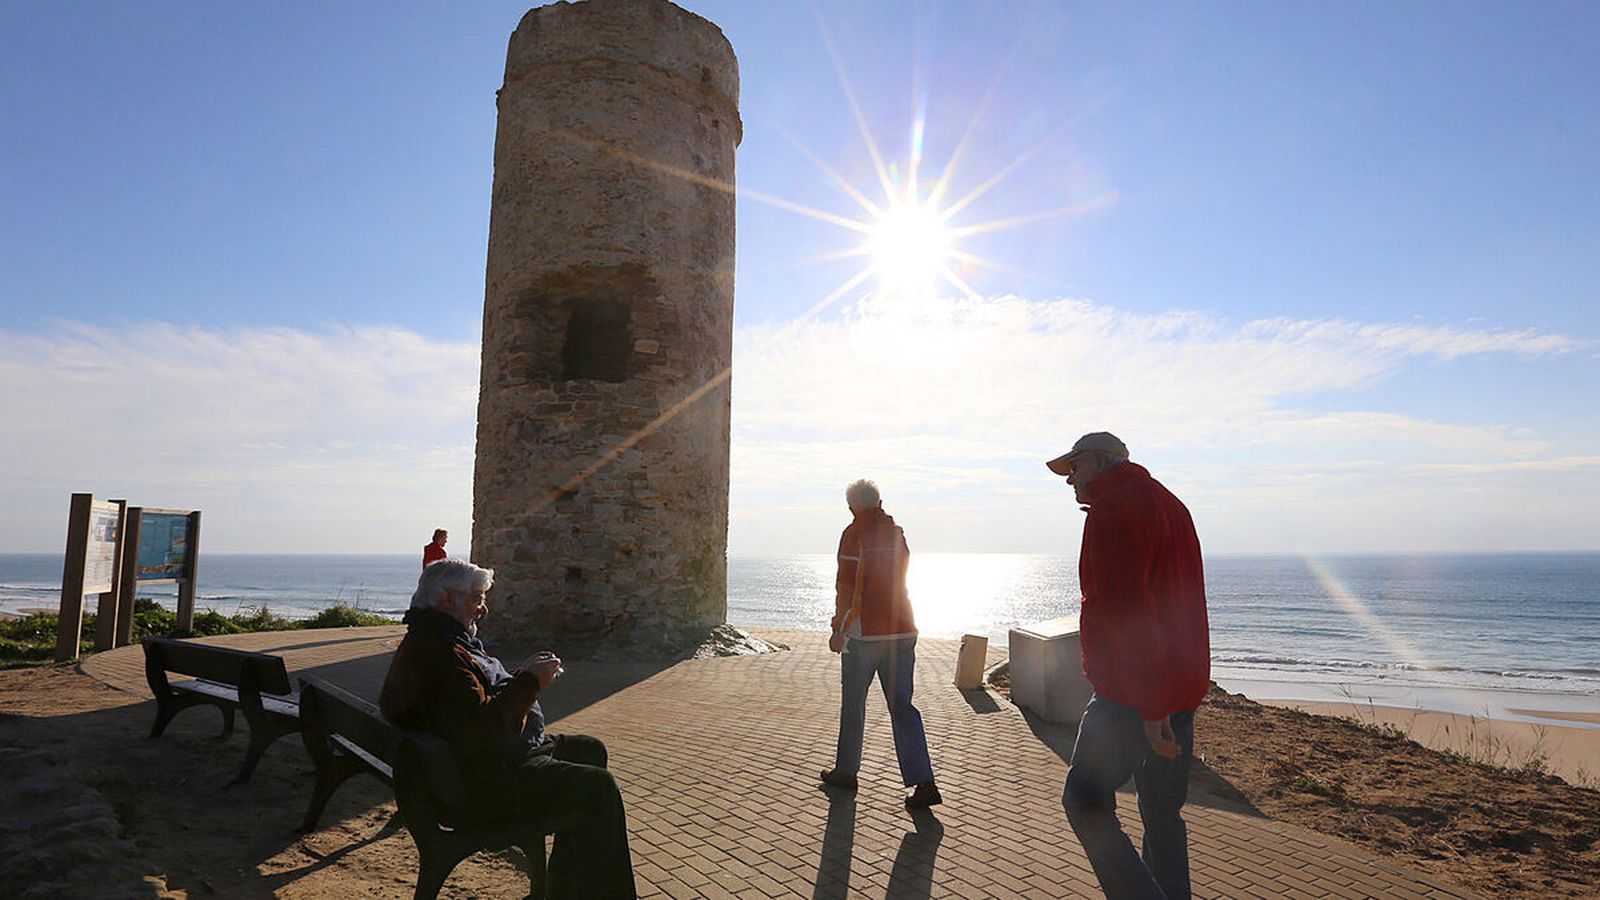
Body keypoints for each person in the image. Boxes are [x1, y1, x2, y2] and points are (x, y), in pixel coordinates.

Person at [380, 558, 637, 899]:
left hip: (462, 769)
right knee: (598, 787)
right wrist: (529, 682)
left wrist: (520, 678)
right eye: (476, 597)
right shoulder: (438, 654)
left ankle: (570, 887)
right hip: (480, 789)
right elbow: (483, 733)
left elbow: (468, 707)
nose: (482, 608)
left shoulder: (434, 641)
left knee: (590, 749)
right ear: (446, 599)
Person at [1046, 432, 1209, 900]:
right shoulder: (1170, 503)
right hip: (1179, 683)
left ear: (1099, 462)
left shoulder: (1115, 512)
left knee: (1084, 800)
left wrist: (1152, 708)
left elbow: (1126, 612)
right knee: (1161, 817)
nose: (1069, 480)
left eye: (1073, 469)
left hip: (1132, 694)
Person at [819, 479, 942, 810]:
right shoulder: (897, 533)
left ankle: (846, 772)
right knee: (903, 707)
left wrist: (839, 629)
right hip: (903, 629)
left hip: (865, 635)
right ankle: (924, 781)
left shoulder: (853, 533)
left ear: (850, 507)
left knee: (854, 704)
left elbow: (847, 587)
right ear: (881, 502)